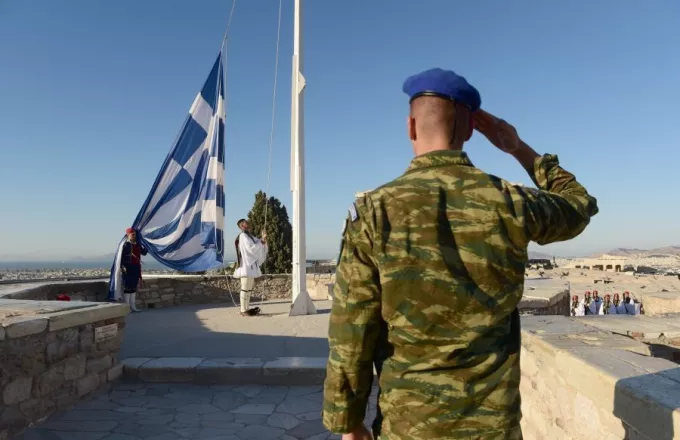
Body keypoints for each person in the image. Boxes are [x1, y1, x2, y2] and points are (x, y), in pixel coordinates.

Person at [321, 67, 598, 440]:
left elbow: (352, 330)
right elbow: (579, 205)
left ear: (411, 127)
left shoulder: (374, 212)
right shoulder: (510, 202)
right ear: (470, 131)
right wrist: (518, 148)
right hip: (494, 428)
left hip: (408, 426)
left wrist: (348, 423)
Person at [233, 219, 268, 316]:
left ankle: (247, 308)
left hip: (251, 265)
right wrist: (261, 241)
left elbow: (258, 242)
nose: (248, 223)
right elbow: (251, 248)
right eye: (246, 223)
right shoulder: (243, 236)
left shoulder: (249, 236)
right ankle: (243, 309)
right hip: (245, 264)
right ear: (242, 226)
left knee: (249, 288)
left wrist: (263, 239)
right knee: (244, 287)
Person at [121, 227, 147, 312]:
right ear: (128, 235)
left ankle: (133, 306)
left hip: (136, 267)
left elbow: (144, 253)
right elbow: (120, 257)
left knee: (133, 287)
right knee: (127, 287)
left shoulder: (137, 244)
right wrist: (122, 266)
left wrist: (146, 244)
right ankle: (127, 307)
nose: (134, 236)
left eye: (135, 234)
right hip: (128, 267)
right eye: (133, 234)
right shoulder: (125, 244)